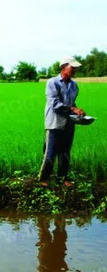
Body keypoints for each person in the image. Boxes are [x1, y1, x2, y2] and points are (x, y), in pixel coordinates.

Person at [39, 57, 86, 187]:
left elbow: (71, 103)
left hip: (69, 123)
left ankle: (62, 178)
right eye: (72, 67)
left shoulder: (74, 85)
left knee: (65, 152)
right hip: (54, 123)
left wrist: (78, 112)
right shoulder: (52, 83)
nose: (75, 69)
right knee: (50, 152)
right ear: (64, 66)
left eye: (75, 67)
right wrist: (73, 109)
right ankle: (44, 178)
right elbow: (55, 104)